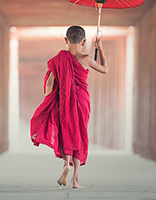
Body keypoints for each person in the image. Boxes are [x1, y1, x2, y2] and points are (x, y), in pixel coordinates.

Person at [30, 25, 108, 188]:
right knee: (79, 134)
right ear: (84, 41)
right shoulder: (86, 58)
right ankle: (75, 179)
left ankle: (66, 165)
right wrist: (100, 48)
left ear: (66, 40)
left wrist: (49, 100)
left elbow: (50, 81)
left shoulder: (58, 59)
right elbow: (104, 69)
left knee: (65, 132)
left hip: (63, 101)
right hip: (82, 102)